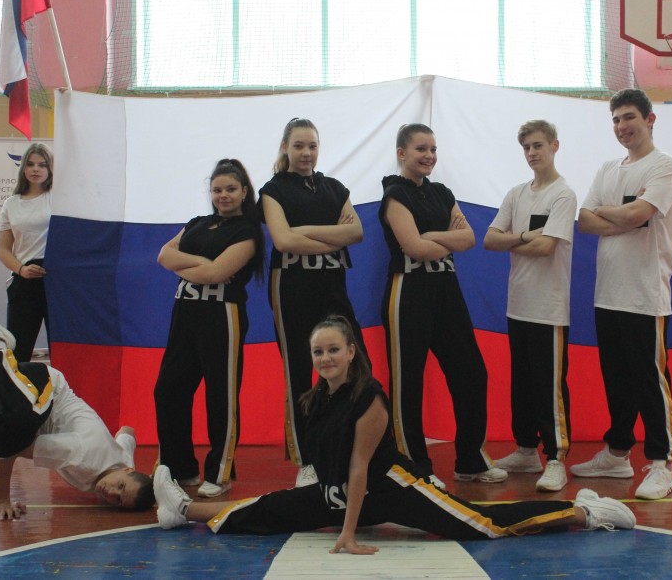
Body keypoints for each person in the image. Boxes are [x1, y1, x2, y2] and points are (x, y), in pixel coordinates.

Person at [153, 316, 635, 551]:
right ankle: (182, 510)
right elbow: (328, 467)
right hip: (338, 492)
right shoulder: (312, 400)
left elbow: (361, 467)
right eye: (318, 352)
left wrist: (347, 534)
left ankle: (586, 511)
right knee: (268, 508)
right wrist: (321, 502)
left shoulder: (370, 398)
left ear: (351, 352)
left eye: (333, 350)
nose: (325, 358)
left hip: (392, 487)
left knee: (482, 524)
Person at [0, 301, 154, 518]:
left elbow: (127, 431)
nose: (111, 493)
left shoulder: (123, 461)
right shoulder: (83, 457)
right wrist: (2, 499)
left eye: (118, 500)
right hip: (43, 386)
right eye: (121, 486)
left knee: (7, 430)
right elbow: (13, 449)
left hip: (12, 398)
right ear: (127, 472)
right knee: (12, 438)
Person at [378, 123, 506, 489]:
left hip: (446, 288)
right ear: (402, 153)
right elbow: (414, 249)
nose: (429, 155)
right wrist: (444, 239)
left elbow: (469, 238)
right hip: (408, 291)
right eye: (421, 149)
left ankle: (470, 460)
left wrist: (432, 236)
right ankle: (413, 467)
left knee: (472, 373)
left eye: (433, 149)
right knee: (408, 381)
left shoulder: (442, 192)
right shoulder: (394, 195)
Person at [574, 89, 672, 501]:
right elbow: (585, 221)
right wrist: (623, 217)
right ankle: (617, 454)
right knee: (617, 380)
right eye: (616, 119)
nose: (622, 126)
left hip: (644, 294)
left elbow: (640, 214)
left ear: (650, 119)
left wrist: (615, 213)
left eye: (629, 117)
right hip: (608, 293)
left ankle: (662, 464)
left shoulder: (663, 166)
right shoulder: (608, 169)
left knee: (649, 380)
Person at [260, 117, 366, 488]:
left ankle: (352, 451)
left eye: (312, 146)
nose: (306, 153)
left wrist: (304, 231)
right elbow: (284, 241)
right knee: (300, 369)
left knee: (353, 364)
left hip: (333, 285)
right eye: (299, 145)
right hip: (292, 286)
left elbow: (356, 232)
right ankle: (306, 461)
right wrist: (332, 237)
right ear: (285, 147)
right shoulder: (273, 190)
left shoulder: (334, 187)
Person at [154, 159, 264, 499]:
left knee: (220, 395)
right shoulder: (197, 223)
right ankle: (181, 468)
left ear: (244, 192)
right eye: (217, 190)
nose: (223, 195)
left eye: (230, 189)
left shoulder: (247, 231)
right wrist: (202, 264)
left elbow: (216, 275)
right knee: (168, 390)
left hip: (222, 314)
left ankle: (220, 472)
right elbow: (163, 256)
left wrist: (191, 265)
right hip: (185, 311)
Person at [483, 120, 577, 493]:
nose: (532, 153)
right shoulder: (516, 194)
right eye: (526, 147)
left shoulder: (563, 195)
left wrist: (514, 240)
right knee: (521, 383)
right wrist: (523, 235)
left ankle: (555, 458)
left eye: (538, 145)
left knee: (548, 386)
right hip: (518, 305)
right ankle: (525, 450)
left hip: (548, 309)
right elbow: (490, 240)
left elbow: (546, 247)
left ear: (555, 145)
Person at [0, 142, 54, 362]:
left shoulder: (59, 198)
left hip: (56, 279)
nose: (36, 169)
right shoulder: (11, 204)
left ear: (50, 169)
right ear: (23, 168)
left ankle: (62, 386)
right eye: (30, 164)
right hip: (24, 278)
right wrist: (21, 270)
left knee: (61, 347)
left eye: (42, 164)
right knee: (18, 348)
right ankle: (16, 386)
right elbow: (3, 249)